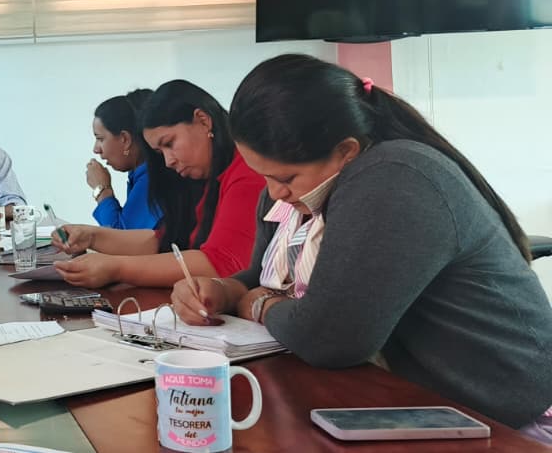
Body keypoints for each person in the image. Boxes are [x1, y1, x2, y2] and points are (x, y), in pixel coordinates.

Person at [171, 54, 552, 442]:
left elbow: (328, 338)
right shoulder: (293, 196)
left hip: (502, 418)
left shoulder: (393, 177)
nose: (274, 192)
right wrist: (222, 290)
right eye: (264, 176)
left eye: (286, 177)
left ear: (347, 151)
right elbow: (259, 279)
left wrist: (258, 305)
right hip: (410, 406)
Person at [52, 80, 265, 288]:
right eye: (160, 152)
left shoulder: (246, 172)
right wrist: (91, 236)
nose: (168, 161)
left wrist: (117, 268)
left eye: (169, 143)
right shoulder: (206, 177)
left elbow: (221, 263)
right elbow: (165, 240)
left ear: (203, 121)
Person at [86, 89, 163, 230]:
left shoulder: (152, 179)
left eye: (100, 139)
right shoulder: (140, 174)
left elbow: (120, 236)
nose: (96, 149)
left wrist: (102, 189)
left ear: (125, 139)